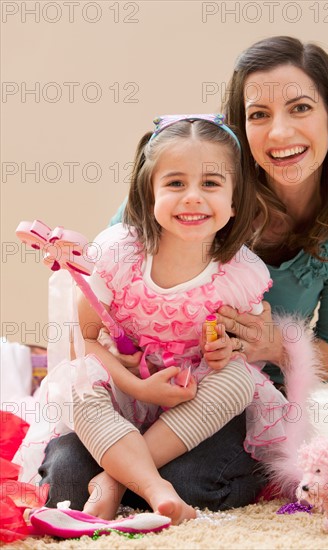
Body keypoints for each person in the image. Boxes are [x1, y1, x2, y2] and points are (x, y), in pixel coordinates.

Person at [37, 36, 328, 511]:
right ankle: (117, 478)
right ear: (240, 128)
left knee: (197, 481)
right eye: (258, 115)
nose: (280, 133)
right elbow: (99, 308)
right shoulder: (175, 199)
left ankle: (122, 481)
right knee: (69, 480)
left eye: (300, 108)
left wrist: (274, 345)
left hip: (221, 400)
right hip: (135, 385)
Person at [16, 113, 291, 524]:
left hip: (191, 406)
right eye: (176, 183)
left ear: (235, 200)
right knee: (76, 385)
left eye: (211, 184)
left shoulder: (240, 273)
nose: (193, 197)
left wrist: (221, 351)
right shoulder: (116, 254)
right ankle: (155, 486)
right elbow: (84, 341)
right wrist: (137, 386)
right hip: (122, 396)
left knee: (238, 379)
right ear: (148, 194)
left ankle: (114, 480)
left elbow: (239, 351)